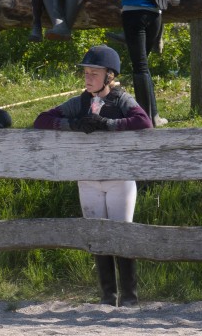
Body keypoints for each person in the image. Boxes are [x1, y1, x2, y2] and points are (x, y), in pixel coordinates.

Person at [33, 45, 151, 306]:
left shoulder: (122, 100)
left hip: (119, 179)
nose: (87, 78)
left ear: (109, 75)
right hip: (87, 179)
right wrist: (72, 124)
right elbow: (41, 120)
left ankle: (130, 297)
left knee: (122, 235)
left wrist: (109, 124)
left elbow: (144, 121)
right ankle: (108, 297)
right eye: (86, 73)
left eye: (94, 73)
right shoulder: (79, 102)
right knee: (97, 236)